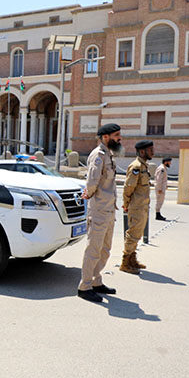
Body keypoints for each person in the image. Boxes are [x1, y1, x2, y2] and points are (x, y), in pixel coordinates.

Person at [77, 123, 122, 303]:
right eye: (117, 135)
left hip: (109, 209)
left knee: (105, 249)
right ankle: (84, 287)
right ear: (105, 137)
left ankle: (96, 282)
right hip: (99, 211)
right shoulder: (98, 156)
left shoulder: (109, 155)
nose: (120, 138)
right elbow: (92, 182)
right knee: (93, 250)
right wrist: (89, 195)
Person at [120, 139, 154, 274]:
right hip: (136, 207)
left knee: (137, 234)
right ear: (142, 151)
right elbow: (128, 187)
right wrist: (126, 204)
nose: (153, 152)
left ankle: (132, 259)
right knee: (133, 235)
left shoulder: (144, 166)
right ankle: (125, 262)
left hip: (143, 206)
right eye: (150, 150)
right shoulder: (136, 166)